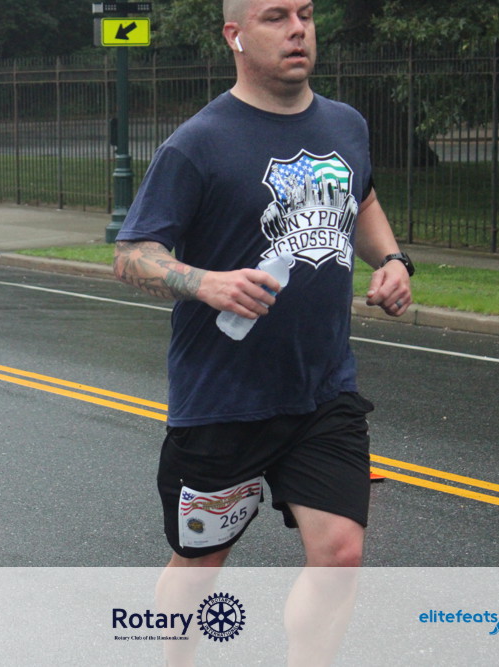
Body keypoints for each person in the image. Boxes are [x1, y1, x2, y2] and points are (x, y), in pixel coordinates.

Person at [113, 0, 413, 663]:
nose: (298, 29)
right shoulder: (198, 142)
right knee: (199, 565)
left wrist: (392, 260)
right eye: (276, 16)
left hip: (323, 392)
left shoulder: (346, 124)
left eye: (305, 14)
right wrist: (205, 282)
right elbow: (132, 254)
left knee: (340, 554)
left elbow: (362, 198)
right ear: (236, 36)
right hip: (224, 398)